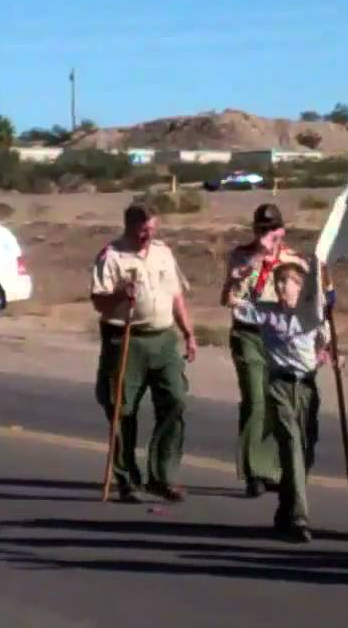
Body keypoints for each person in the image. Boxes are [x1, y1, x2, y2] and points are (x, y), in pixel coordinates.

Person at [91, 203, 198, 503]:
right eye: (142, 230)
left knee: (175, 399)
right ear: (129, 225)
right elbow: (99, 302)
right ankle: (127, 479)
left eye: (152, 229)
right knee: (122, 410)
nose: (147, 235)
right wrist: (120, 295)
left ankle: (162, 475)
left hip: (163, 338)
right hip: (125, 338)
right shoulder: (111, 256)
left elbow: (176, 296)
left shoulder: (163, 252)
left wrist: (188, 333)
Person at [221, 203, 307, 497]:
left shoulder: (293, 260)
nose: (267, 234)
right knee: (255, 400)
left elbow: (306, 300)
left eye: (272, 229)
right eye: (261, 229)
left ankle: (272, 468)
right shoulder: (242, 256)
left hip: (281, 337)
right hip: (249, 334)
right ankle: (253, 471)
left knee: (277, 403)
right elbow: (230, 297)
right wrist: (258, 255)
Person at [241, 260, 329, 542]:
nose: (280, 287)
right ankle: (299, 518)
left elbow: (323, 342)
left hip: (306, 388)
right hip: (279, 385)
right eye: (277, 282)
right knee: (291, 446)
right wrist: (235, 280)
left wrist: (325, 355)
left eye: (287, 281)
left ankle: (285, 509)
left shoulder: (312, 315)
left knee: (305, 451)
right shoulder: (266, 313)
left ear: (300, 287)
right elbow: (232, 303)